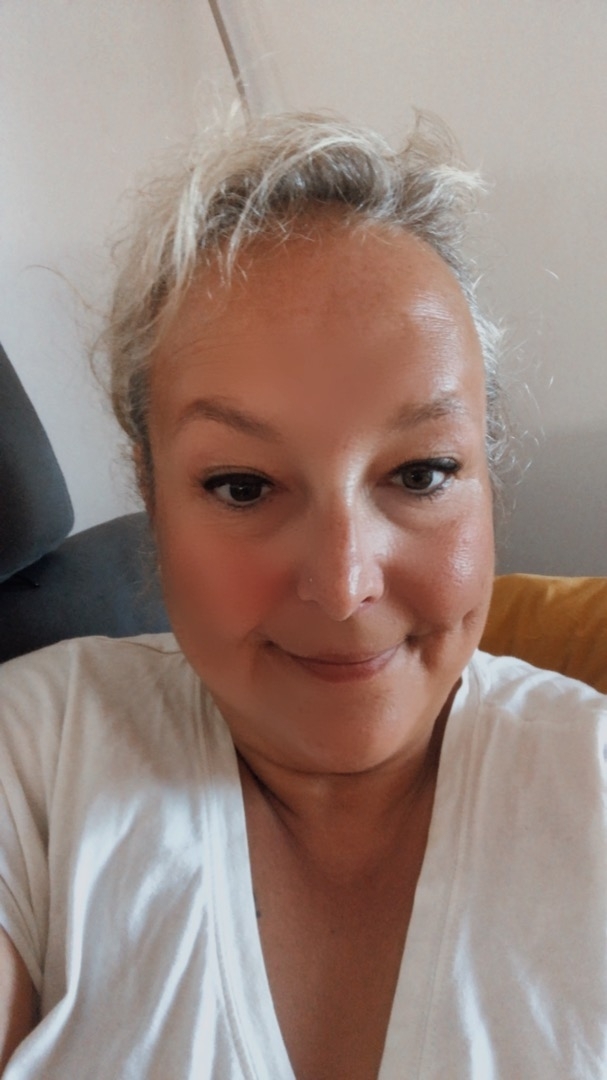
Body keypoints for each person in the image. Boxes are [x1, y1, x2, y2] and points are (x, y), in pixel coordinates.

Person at [0, 112, 606, 1080]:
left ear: (486, 477)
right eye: (243, 486)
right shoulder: (33, 765)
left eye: (419, 473)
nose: (342, 584)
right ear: (150, 494)